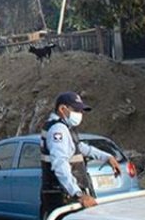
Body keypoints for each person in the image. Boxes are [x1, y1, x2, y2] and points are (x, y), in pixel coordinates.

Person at [40, 92, 121, 220]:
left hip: (65, 195)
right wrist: (78, 194)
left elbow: (80, 148)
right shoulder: (58, 130)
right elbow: (60, 164)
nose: (81, 114)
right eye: (77, 110)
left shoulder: (65, 127)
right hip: (62, 197)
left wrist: (107, 157)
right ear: (62, 109)